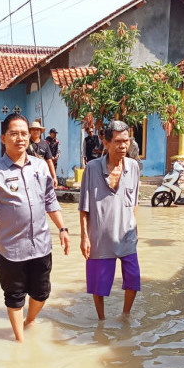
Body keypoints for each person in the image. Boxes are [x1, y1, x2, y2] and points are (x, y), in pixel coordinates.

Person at [0, 113, 70, 342]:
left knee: (42, 292)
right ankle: (19, 341)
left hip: (41, 244)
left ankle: (30, 321)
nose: (20, 138)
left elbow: (50, 200)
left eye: (24, 134)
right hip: (9, 248)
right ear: (3, 138)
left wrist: (63, 228)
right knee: (14, 296)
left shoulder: (40, 166)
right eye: (14, 133)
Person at [78, 120, 141, 320]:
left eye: (126, 141)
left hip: (126, 234)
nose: (123, 146)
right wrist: (84, 236)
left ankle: (125, 315)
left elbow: (135, 201)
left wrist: (136, 227)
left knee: (133, 279)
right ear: (106, 142)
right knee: (99, 284)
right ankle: (101, 321)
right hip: (100, 235)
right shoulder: (92, 168)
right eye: (118, 141)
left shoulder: (134, 167)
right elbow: (83, 205)